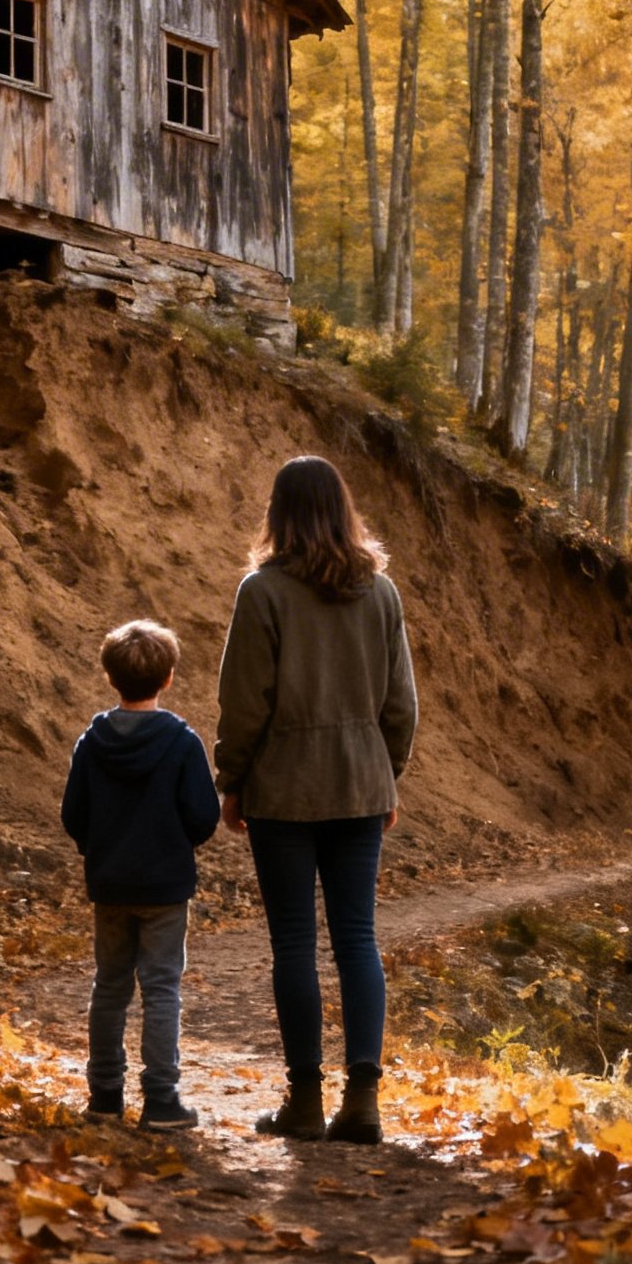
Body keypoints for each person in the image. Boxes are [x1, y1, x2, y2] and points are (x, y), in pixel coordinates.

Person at [215, 456, 418, 1145]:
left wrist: (232, 781)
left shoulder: (262, 592)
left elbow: (244, 703)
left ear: (279, 513)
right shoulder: (381, 594)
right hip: (361, 785)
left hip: (284, 788)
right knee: (357, 940)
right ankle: (363, 1102)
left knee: (295, 945)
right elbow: (401, 704)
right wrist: (385, 772)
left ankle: (303, 1102)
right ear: (343, 509)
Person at [62, 618, 220, 1129]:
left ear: (110, 678)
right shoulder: (181, 742)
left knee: (109, 985)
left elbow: (73, 813)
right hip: (165, 887)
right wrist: (177, 845)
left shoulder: (93, 741)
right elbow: (203, 815)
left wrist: (97, 848)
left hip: (109, 883)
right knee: (161, 988)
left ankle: (105, 1095)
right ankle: (160, 1099)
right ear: (168, 677)